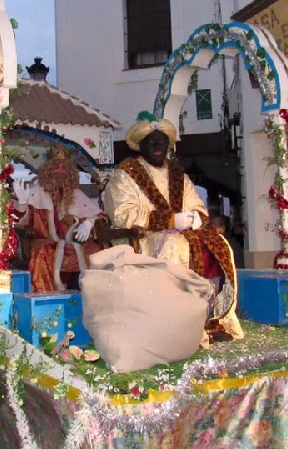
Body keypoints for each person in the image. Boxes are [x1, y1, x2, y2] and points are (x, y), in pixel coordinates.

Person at [102, 115, 244, 340]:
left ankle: (210, 319)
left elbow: (195, 204)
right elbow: (123, 214)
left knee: (217, 243)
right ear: (140, 145)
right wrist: (169, 221)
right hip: (141, 238)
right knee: (174, 245)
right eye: (152, 141)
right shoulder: (125, 175)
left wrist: (196, 217)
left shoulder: (179, 175)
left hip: (181, 234)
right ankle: (174, 325)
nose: (158, 145)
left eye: (162, 141)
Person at [14, 146, 103, 292]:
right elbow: (21, 222)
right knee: (42, 252)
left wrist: (88, 223)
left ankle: (85, 297)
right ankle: (49, 299)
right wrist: (23, 203)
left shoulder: (76, 194)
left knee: (94, 250)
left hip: (74, 242)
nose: (60, 170)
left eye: (64, 167)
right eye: (56, 167)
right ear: (48, 170)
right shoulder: (35, 193)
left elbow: (96, 214)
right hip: (47, 242)